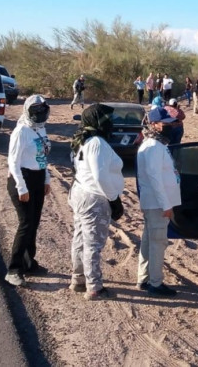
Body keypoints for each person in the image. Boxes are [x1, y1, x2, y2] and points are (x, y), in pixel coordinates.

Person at [69, 104, 125, 300]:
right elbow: (100, 176)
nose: (111, 122)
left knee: (80, 238)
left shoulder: (84, 139)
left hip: (81, 193)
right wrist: (114, 199)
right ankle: (94, 287)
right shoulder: (97, 143)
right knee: (92, 243)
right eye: (108, 118)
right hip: (94, 197)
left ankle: (78, 279)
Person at [4, 95, 53, 287]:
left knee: (34, 223)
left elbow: (43, 157)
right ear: (27, 110)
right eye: (36, 111)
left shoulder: (40, 129)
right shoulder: (21, 131)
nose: (40, 114)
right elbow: (13, 162)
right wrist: (21, 187)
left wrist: (46, 179)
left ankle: (29, 263)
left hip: (38, 178)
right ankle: (13, 270)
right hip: (21, 179)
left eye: (42, 110)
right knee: (25, 223)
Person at [135, 106, 182, 297]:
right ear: (153, 124)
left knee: (149, 241)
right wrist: (166, 205)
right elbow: (155, 178)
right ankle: (155, 283)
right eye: (165, 123)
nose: (169, 126)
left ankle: (144, 278)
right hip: (157, 204)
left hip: (154, 203)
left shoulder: (155, 144)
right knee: (157, 243)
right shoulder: (153, 147)